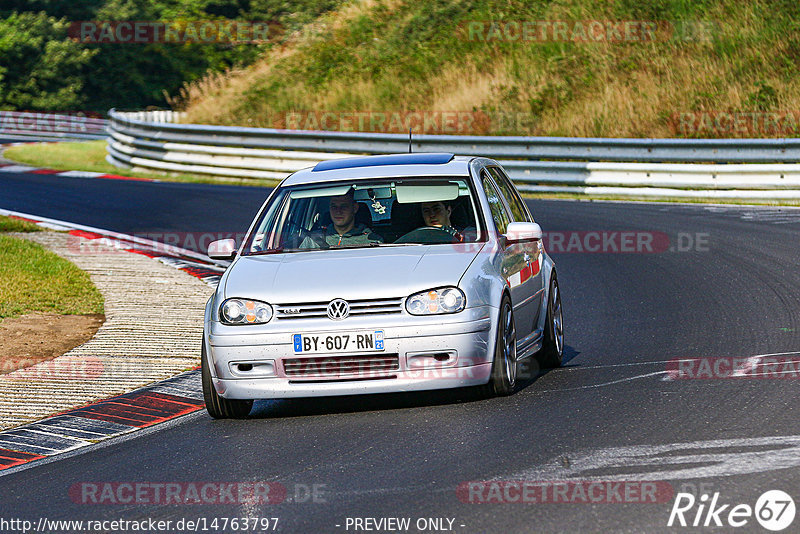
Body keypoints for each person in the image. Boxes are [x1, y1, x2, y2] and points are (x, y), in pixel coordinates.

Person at [300, 190, 383, 248]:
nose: (338, 211)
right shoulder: (312, 240)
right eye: (334, 206)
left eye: (344, 206)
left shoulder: (372, 242)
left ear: (354, 208)